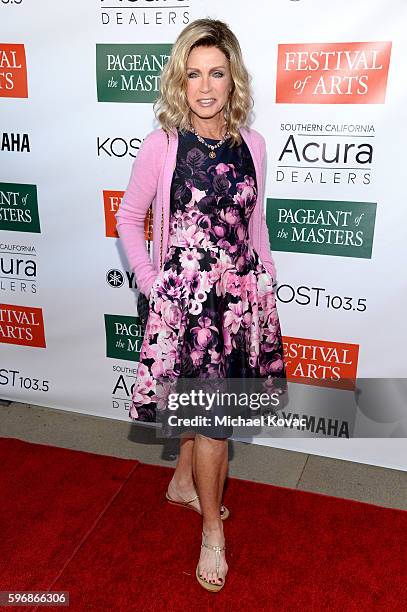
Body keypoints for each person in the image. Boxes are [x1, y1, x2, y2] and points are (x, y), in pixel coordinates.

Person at [115, 18, 286, 592]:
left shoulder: (255, 146)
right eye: (193, 74)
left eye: (217, 73)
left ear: (234, 78)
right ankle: (212, 529)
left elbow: (252, 222)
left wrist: (264, 273)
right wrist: (148, 278)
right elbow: (129, 218)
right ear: (178, 81)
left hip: (237, 304)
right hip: (181, 304)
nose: (206, 87)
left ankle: (184, 484)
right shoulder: (162, 146)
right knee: (213, 423)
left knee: (208, 415)